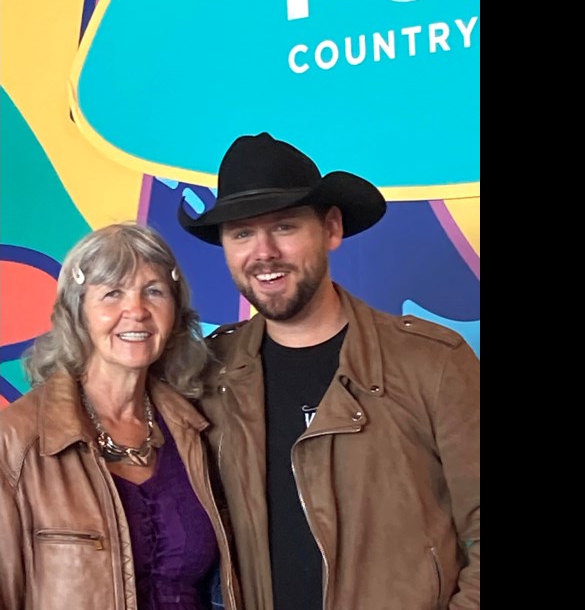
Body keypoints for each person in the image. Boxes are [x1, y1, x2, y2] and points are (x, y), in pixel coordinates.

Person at [177, 132, 480, 609]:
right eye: (241, 233)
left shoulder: (433, 362)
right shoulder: (206, 376)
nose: (263, 253)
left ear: (332, 229)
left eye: (284, 227)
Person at [0, 222, 240, 610]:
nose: (137, 311)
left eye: (154, 291)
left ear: (175, 311)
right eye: (112, 293)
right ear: (77, 313)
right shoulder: (16, 442)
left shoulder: (196, 429)